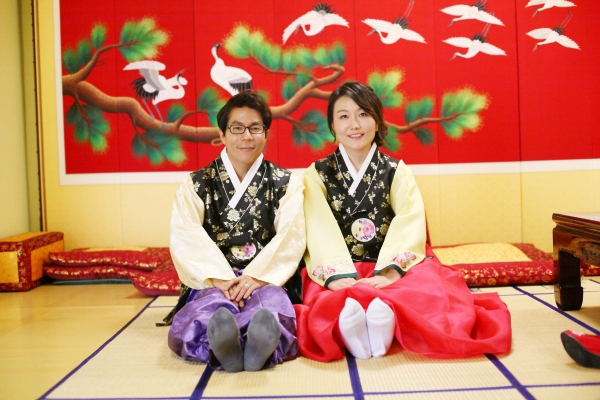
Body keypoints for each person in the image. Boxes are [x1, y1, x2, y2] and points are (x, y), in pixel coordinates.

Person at [293, 81, 512, 362]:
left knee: (429, 288)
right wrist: (336, 275)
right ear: (333, 125)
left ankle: (379, 323)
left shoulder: (396, 170)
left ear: (377, 121)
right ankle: (356, 328)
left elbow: (410, 220)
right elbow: (317, 227)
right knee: (326, 296)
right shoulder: (316, 173)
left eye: (363, 114)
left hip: (389, 262)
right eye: (344, 116)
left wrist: (390, 272)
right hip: (337, 264)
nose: (354, 124)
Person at [165, 90, 306, 372]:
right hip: (216, 278)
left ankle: (256, 347)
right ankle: (225, 345)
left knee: (270, 307)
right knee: (210, 308)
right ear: (222, 134)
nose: (247, 136)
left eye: (255, 128)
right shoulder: (196, 183)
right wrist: (219, 279)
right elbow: (186, 235)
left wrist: (258, 276)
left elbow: (290, 236)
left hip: (265, 277)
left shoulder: (286, 183)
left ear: (266, 133)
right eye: (237, 128)